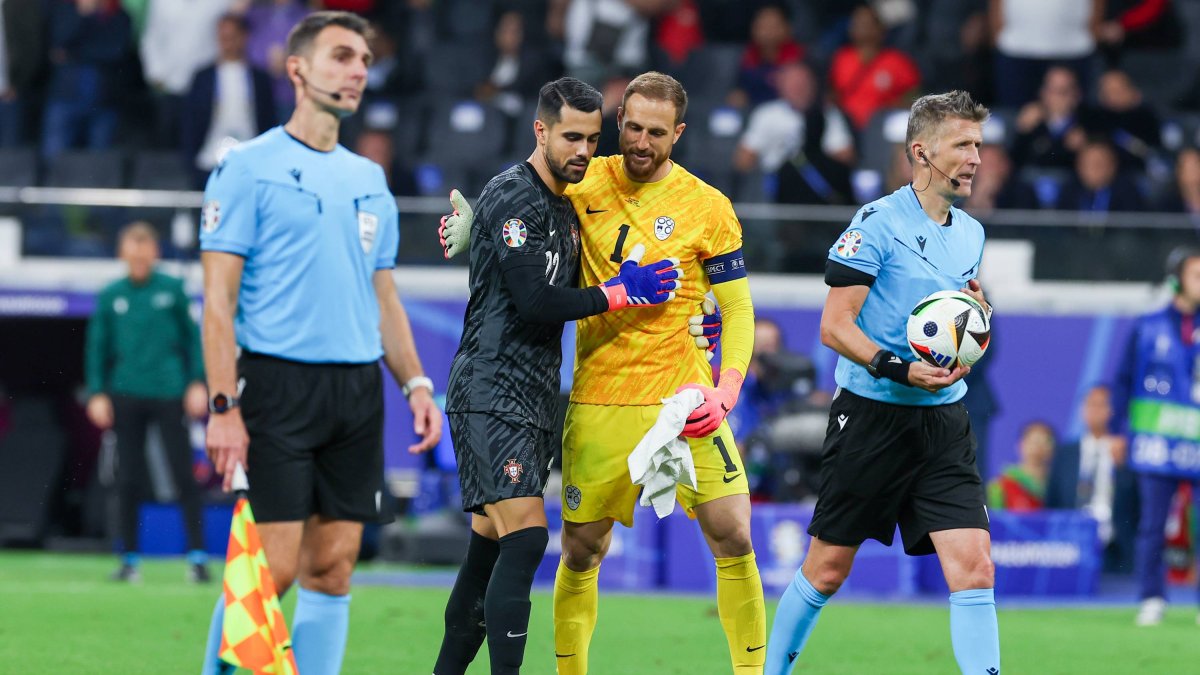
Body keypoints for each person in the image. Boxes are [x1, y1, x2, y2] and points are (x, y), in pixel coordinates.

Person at [441, 71, 765, 675]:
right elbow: (527, 194)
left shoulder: (709, 206)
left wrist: (726, 388)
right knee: (581, 551)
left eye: (657, 132)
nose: (642, 142)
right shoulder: (585, 175)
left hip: (684, 396)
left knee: (734, 533)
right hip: (598, 399)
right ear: (619, 124)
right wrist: (474, 227)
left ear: (680, 133)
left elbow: (739, 307)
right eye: (634, 127)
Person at [197, 12, 442, 674]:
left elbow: (382, 295)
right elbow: (217, 302)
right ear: (297, 69)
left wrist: (416, 383)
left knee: (333, 568)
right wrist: (224, 408)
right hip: (277, 385)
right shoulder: (247, 167)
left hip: (356, 390)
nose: (357, 69)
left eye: (363, 58)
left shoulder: (369, 180)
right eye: (340, 56)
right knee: (271, 570)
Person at [765, 91, 999, 675]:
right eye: (963, 145)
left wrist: (970, 339)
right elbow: (833, 325)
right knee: (827, 570)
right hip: (872, 415)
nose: (976, 158)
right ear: (921, 152)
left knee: (974, 567)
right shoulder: (875, 224)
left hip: (944, 419)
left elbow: (958, 313)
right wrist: (898, 368)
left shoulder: (971, 233)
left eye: (979, 144)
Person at [85, 221, 210, 584]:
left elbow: (192, 341)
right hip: (126, 393)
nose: (139, 256)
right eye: (132, 248)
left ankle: (198, 557)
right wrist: (96, 392)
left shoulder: (172, 290)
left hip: (169, 393)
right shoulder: (111, 295)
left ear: (155, 252)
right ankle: (129, 559)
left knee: (183, 474)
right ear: (122, 252)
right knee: (128, 478)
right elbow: (97, 347)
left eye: (145, 248)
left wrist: (196, 383)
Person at [1111, 246, 1200, 627]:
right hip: (1156, 442)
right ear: (1177, 279)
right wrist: (1117, 431)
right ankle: (1151, 597)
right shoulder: (1148, 325)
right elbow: (1123, 380)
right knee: (1152, 524)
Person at [1047, 384, 1138, 572]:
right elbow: (1052, 501)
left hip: (1116, 549)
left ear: (1114, 410)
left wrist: (1122, 468)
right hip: (1071, 547)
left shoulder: (1128, 452)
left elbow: (1138, 505)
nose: (1095, 411)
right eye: (1090, 405)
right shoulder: (1066, 454)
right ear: (1082, 410)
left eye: (1102, 405)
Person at [181, 13, 277, 188]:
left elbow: (268, 118)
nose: (226, 42)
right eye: (222, 37)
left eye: (231, 37)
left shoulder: (259, 78)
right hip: (208, 160)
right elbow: (191, 121)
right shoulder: (203, 77)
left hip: (251, 160)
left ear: (244, 37)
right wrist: (190, 161)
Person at [827, 5, 920, 131]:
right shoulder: (841, 59)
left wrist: (894, 107)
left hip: (884, 129)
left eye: (868, 23)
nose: (863, 28)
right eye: (858, 23)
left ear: (881, 29)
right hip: (848, 130)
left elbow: (915, 97)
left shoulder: (897, 61)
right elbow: (832, 95)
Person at [988, 421, 1055, 511]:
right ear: (1020, 445)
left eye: (1045, 442)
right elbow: (994, 521)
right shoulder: (1002, 485)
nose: (1038, 448)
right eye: (1034, 442)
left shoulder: (1059, 485)